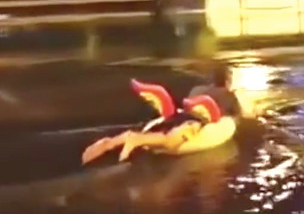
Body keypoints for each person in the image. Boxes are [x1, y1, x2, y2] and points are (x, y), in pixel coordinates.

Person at [81, 65, 241, 165]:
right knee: (170, 142)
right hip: (196, 122)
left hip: (181, 115)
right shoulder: (228, 95)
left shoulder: (197, 89)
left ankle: (110, 142)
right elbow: (239, 115)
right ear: (227, 81)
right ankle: (135, 138)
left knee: (165, 133)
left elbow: (187, 104)